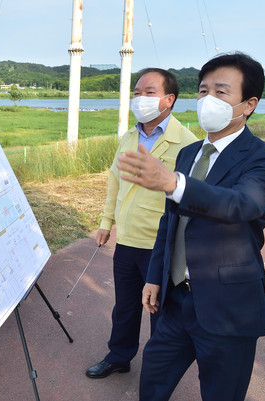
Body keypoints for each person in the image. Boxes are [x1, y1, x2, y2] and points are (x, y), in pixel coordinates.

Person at [117, 53, 265, 400]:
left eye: (221, 92)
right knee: (152, 383)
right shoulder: (189, 153)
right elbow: (171, 222)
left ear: (248, 104)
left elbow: (241, 204)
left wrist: (174, 184)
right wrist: (154, 276)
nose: (208, 99)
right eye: (203, 90)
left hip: (228, 308)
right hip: (176, 300)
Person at [85, 68, 197, 379]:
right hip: (127, 240)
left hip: (159, 246)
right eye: (136, 92)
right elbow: (114, 180)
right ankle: (119, 356)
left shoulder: (186, 143)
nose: (139, 98)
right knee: (125, 307)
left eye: (148, 92)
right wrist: (106, 222)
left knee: (158, 311)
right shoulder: (130, 136)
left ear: (168, 99)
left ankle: (158, 372)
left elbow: (187, 199)